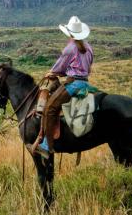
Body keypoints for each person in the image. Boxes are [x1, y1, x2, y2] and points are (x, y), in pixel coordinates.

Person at [29, 16, 94, 157]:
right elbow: (88, 68)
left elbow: (60, 68)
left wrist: (51, 73)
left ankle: (46, 146)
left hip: (73, 83)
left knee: (50, 108)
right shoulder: (88, 47)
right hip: (85, 82)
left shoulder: (70, 48)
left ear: (70, 33)